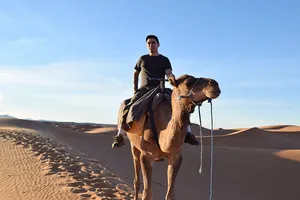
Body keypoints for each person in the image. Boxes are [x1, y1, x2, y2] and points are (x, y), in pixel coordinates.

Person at [112, 35, 200, 148]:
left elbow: (168, 72)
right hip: (144, 90)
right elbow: (135, 73)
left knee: (181, 106)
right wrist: (135, 88)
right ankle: (120, 134)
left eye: (153, 42)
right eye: (148, 43)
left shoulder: (164, 60)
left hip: (161, 89)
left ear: (158, 44)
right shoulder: (142, 59)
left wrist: (171, 77)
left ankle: (188, 132)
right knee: (128, 105)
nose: (151, 45)